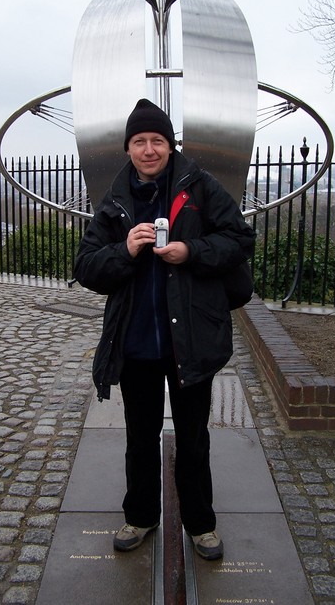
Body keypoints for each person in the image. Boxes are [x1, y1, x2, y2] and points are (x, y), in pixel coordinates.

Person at [74, 98, 255, 560]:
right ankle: (140, 516)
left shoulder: (199, 185)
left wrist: (189, 250)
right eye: (140, 141)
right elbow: (86, 267)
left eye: (157, 140)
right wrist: (125, 252)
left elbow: (239, 239)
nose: (149, 149)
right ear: (128, 148)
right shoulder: (115, 200)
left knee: (193, 436)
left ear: (170, 145)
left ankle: (201, 523)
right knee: (140, 435)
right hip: (137, 341)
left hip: (189, 339)